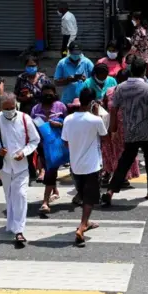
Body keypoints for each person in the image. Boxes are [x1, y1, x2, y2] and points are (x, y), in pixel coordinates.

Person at [101, 58, 148, 206]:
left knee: (124, 162)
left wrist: (113, 128)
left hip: (130, 130)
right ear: (144, 71)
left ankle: (111, 191)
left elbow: (113, 108)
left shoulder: (120, 88)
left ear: (130, 70)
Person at [0, 93, 40, 245]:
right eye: (6, 108)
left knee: (20, 194)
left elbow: (35, 140)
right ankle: (12, 224)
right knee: (9, 195)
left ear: (16, 105)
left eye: (12, 107)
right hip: (5, 166)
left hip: (22, 166)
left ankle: (19, 229)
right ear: (1, 107)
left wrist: (24, 152)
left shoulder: (24, 118)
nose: (9, 111)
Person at [62, 88, 107, 247]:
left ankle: (85, 223)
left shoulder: (68, 119)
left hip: (75, 165)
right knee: (90, 198)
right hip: (92, 165)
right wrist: (97, 114)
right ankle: (82, 226)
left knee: (83, 194)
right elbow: (104, 136)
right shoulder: (95, 120)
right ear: (92, 102)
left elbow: (65, 141)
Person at [30, 83, 67, 213]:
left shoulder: (61, 107)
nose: (47, 97)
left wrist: (59, 124)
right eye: (45, 94)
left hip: (56, 146)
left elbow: (68, 124)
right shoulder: (35, 109)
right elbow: (31, 127)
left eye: (50, 94)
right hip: (41, 146)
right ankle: (55, 190)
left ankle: (45, 202)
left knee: (51, 171)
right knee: (48, 168)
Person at [100, 68, 140, 186]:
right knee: (108, 149)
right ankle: (107, 172)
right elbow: (104, 105)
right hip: (111, 126)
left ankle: (123, 176)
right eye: (120, 80)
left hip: (128, 127)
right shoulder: (109, 91)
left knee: (124, 152)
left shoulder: (134, 93)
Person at [128, 12, 148, 77]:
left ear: (138, 20)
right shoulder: (145, 29)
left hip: (140, 57)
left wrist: (127, 55)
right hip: (146, 56)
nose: (132, 21)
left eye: (133, 19)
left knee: (141, 74)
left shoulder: (138, 31)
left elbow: (135, 45)